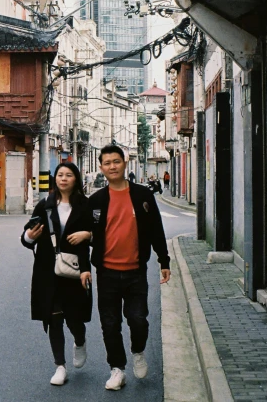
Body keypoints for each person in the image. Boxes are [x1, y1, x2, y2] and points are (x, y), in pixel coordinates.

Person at [85, 145, 171, 390]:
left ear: (125, 163)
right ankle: (117, 369)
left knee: (138, 319)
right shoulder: (96, 200)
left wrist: (163, 260)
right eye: (107, 163)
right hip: (107, 273)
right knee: (110, 324)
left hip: (136, 271)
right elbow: (86, 232)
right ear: (101, 168)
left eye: (116, 161)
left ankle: (138, 351)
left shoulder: (143, 195)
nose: (112, 166)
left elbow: (156, 229)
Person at [21, 162, 93, 386]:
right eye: (60, 175)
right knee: (54, 318)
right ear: (55, 179)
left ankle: (80, 341)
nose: (63, 178)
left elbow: (99, 235)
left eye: (68, 175)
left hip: (74, 270)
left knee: (74, 318)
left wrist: (88, 235)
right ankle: (60, 366)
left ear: (76, 179)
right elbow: (26, 238)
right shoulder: (45, 205)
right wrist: (30, 235)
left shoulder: (84, 205)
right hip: (47, 271)